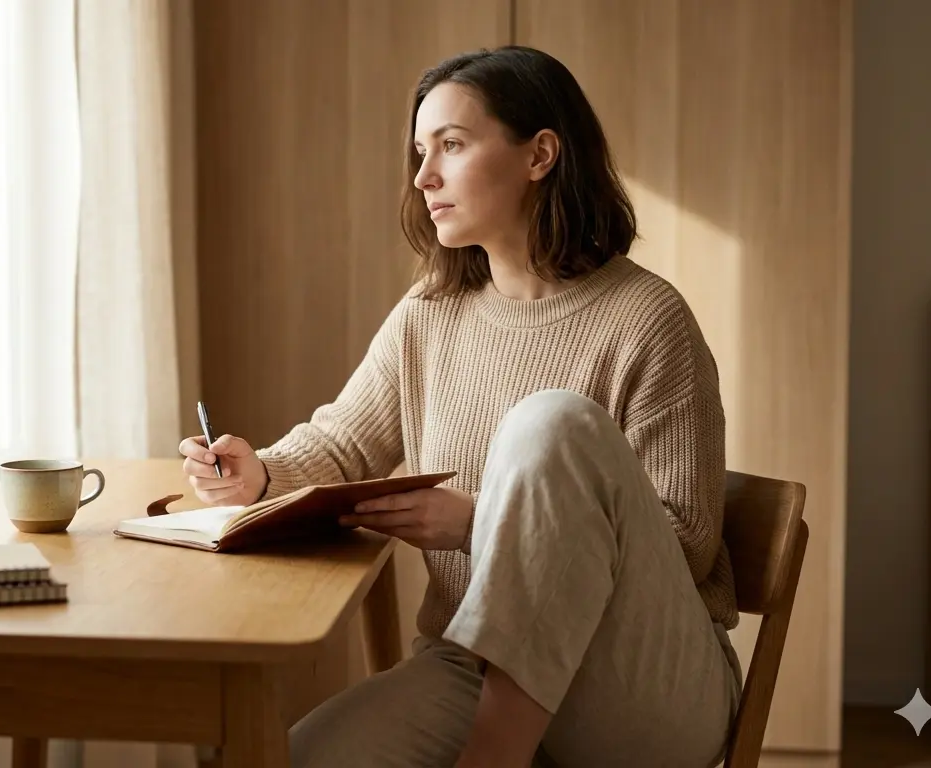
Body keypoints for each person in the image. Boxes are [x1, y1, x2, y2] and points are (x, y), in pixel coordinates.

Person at [178, 45, 743, 768]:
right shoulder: (431, 313)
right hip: (469, 664)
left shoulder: (647, 318)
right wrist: (257, 475)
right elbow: (343, 444)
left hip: (634, 682)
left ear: (539, 155)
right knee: (289, 760)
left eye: (451, 144)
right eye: (420, 151)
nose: (423, 177)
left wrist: (481, 523)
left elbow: (690, 543)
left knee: (551, 423)